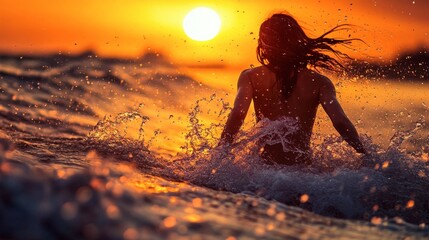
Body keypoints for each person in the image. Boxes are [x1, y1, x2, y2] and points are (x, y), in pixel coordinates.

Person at [219, 13, 366, 165]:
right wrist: (363, 152)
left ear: (265, 44)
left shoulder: (250, 76)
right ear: (297, 42)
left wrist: (219, 153)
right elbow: (340, 121)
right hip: (302, 170)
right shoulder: (320, 82)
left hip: (265, 169)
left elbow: (238, 113)